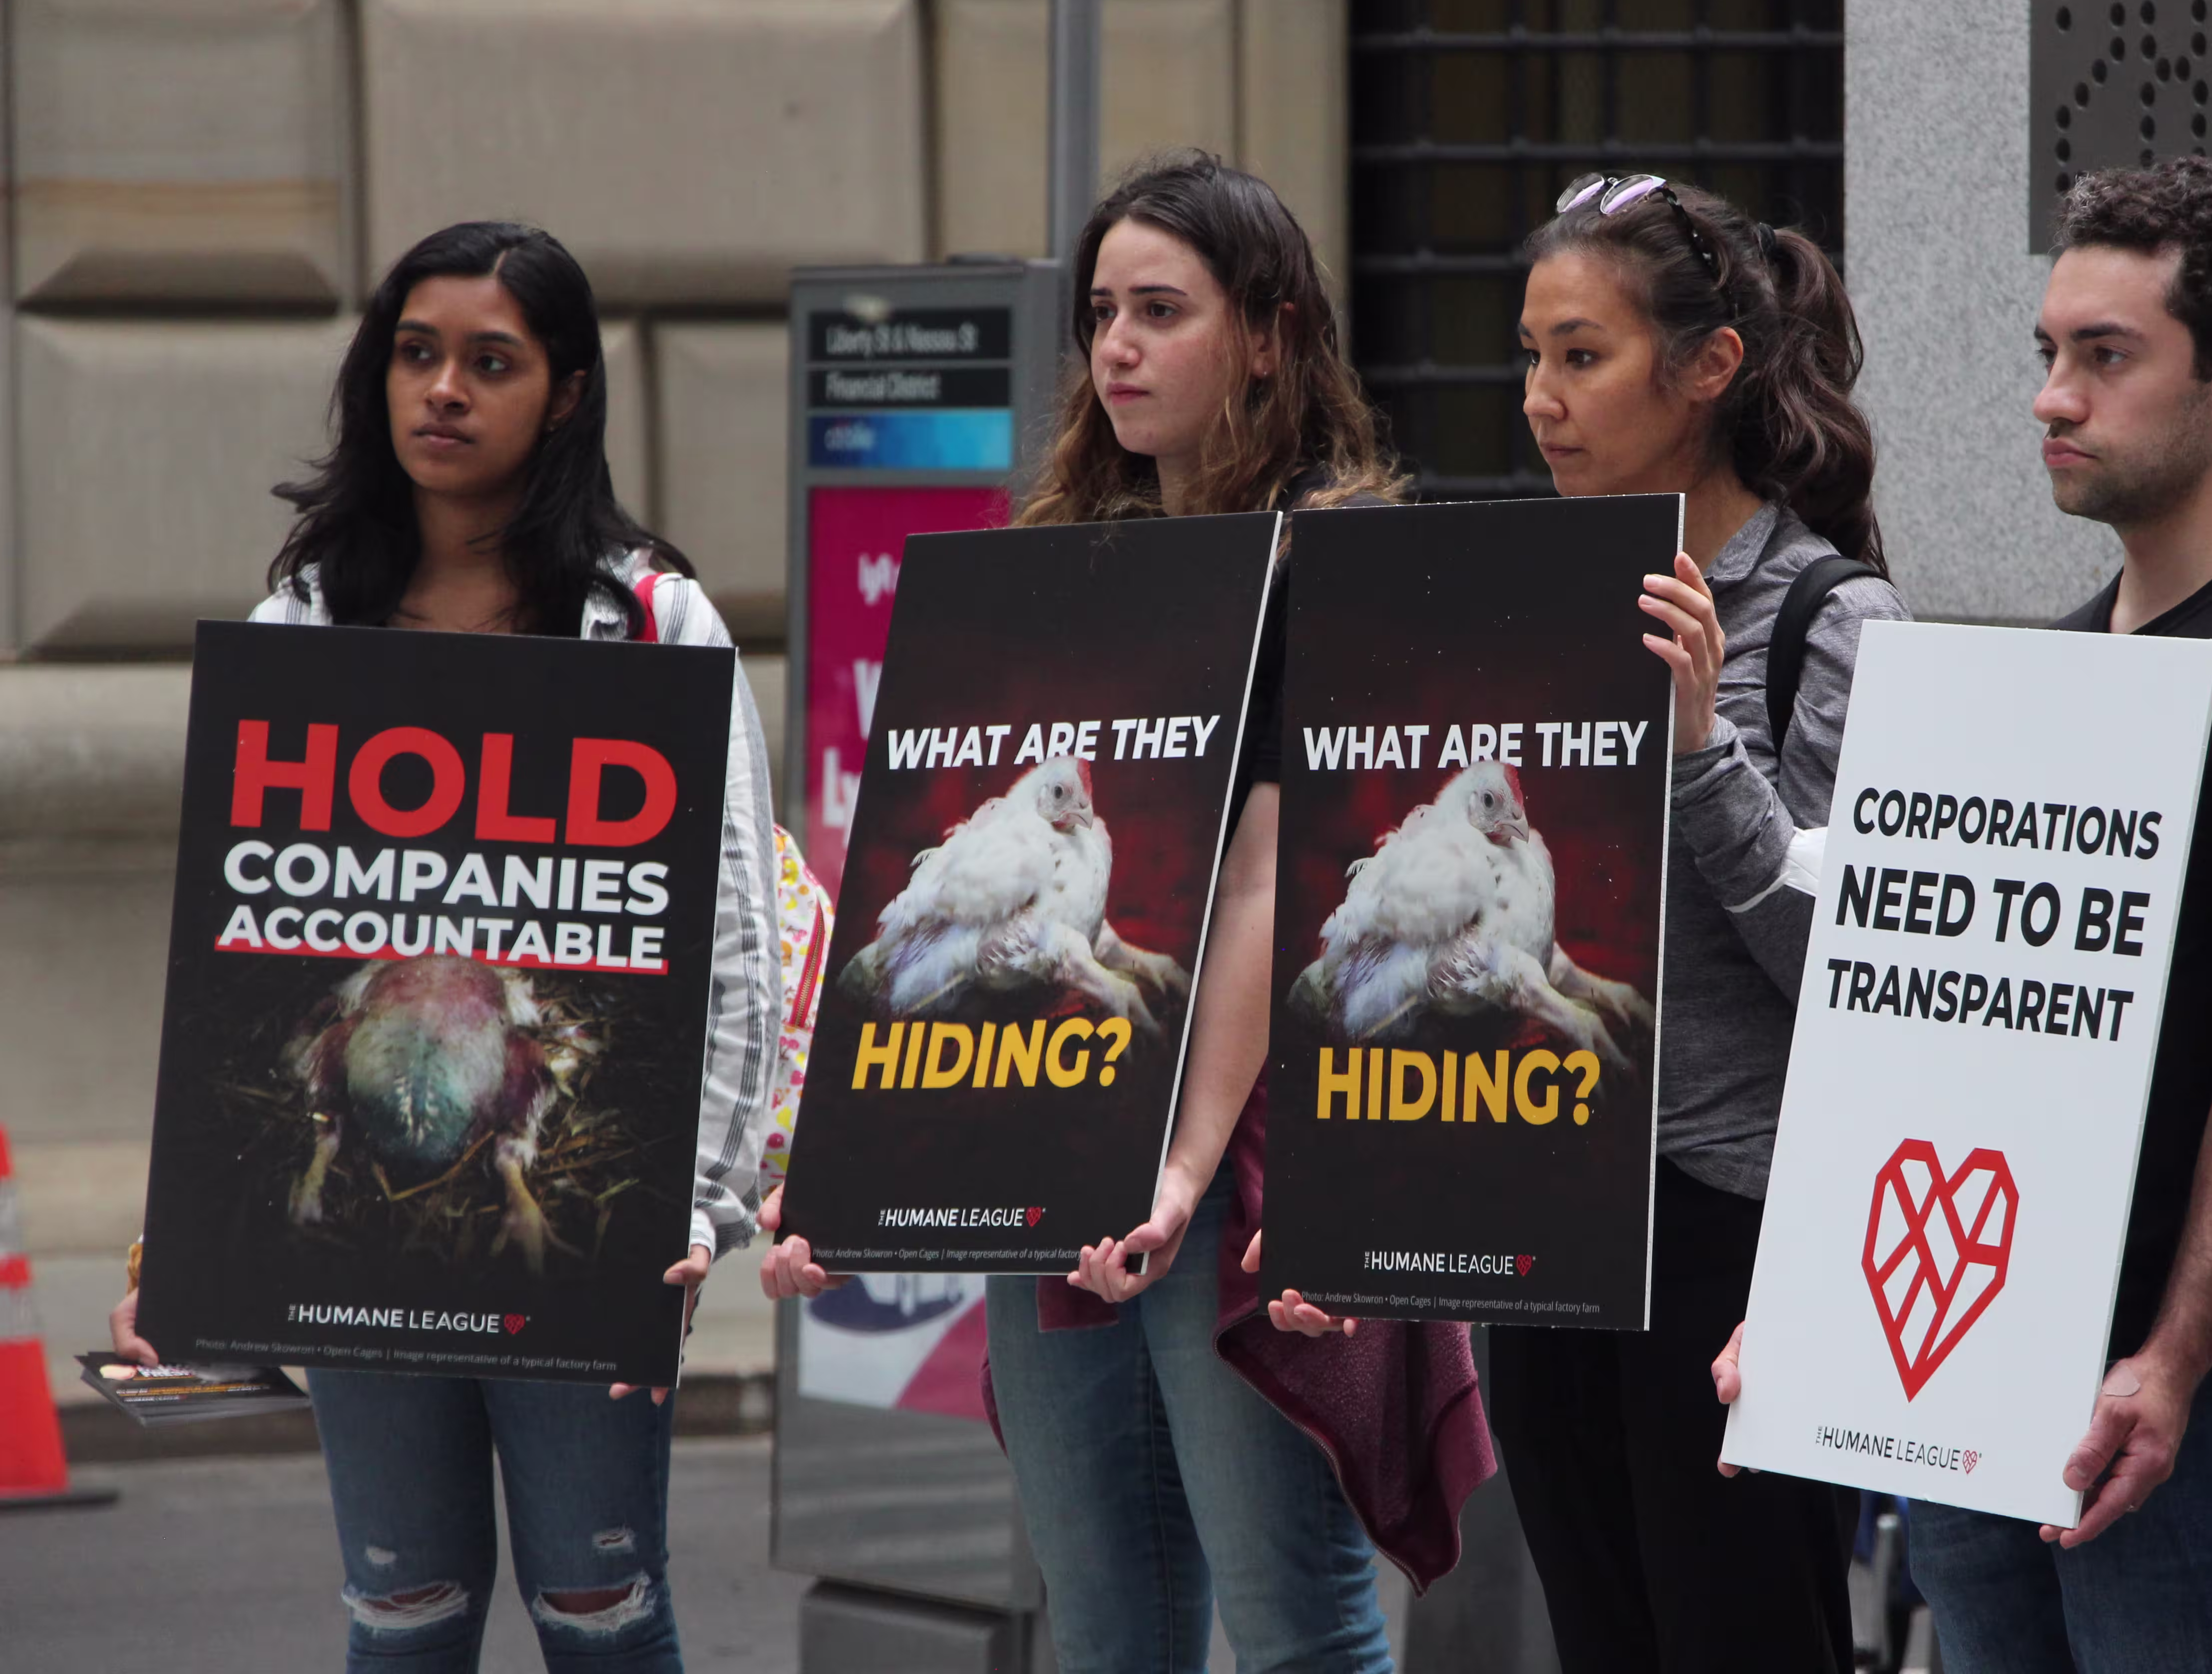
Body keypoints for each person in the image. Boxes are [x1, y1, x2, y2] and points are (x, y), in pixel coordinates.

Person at [756, 152, 1493, 1674]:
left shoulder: (1336, 565)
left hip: (1249, 1153)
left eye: (1163, 311)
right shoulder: (1055, 574)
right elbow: (938, 872)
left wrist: (1181, 1172)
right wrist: (848, 1160)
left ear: (1273, 334)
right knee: (1106, 1620)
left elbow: (1262, 883)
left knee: (1293, 1621)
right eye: (1103, 313)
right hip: (1060, 1119)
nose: (1117, 349)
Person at [1719, 158, 2212, 1673]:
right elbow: (1920, 1001)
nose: (2054, 398)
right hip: (1992, 1358)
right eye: (2049, 353)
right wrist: (1816, 1315)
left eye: (2106, 357)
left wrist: (2172, 1365)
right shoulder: (2055, 670)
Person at [107, 220, 781, 1672]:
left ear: (571, 394)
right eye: (417, 355)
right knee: (399, 1621)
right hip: (354, 1208)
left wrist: (701, 1204)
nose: (445, 393)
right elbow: (246, 947)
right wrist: (188, 1239)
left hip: (583, 1217)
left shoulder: (651, 620)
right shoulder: (308, 616)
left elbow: (735, 940)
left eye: (492, 362)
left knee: (600, 1617)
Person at [1432, 170, 1905, 1672]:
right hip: (1553, 1209)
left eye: (1583, 356)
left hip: (1738, 1235)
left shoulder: (1834, 622)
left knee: (1747, 1637)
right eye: (1531, 356)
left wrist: (1702, 749)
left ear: (1708, 371)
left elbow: (1849, 974)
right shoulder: (1544, 597)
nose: (1541, 399)